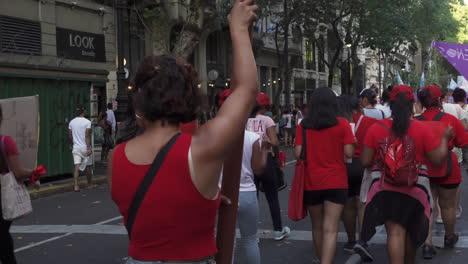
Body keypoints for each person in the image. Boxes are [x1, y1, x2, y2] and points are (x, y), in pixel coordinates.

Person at [109, 1, 259, 263]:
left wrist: (204, 200)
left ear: (139, 105)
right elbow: (246, 89)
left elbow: (157, 208)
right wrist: (237, 28)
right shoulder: (203, 148)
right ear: (190, 100)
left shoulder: (115, 157)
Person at [359, 85, 453, 264]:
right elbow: (437, 160)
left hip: (385, 188)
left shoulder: (377, 128)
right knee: (410, 231)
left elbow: (365, 161)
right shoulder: (421, 129)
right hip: (415, 190)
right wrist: (444, 138)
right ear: (412, 104)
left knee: (394, 232)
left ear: (390, 104)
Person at [294, 88, 356, 264]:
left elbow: (298, 154)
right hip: (336, 181)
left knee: (317, 226)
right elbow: (349, 153)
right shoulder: (343, 124)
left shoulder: (303, 126)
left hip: (312, 182)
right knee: (331, 228)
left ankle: (322, 259)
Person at [417, 85, 468, 259]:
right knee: (448, 205)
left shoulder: (415, 122)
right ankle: (449, 236)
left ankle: (427, 242)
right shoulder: (450, 120)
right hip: (448, 167)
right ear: (440, 100)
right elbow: (463, 142)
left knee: (427, 206)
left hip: (422, 169)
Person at [245, 93, 290, 240]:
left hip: (249, 160)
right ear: (264, 107)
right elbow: (275, 142)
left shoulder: (244, 120)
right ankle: (278, 230)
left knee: (253, 197)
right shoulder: (267, 119)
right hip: (266, 159)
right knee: (272, 197)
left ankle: (252, 233)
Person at [336, 95, 378, 254]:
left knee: (347, 206)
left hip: (344, 165)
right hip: (363, 165)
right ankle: (362, 241)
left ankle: (350, 240)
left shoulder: (338, 122)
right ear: (359, 106)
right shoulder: (369, 122)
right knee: (362, 204)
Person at [0, 105, 35, 264]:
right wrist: (33, 172)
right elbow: (18, 172)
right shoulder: (5, 141)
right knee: (3, 237)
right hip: (3, 196)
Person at [69, 105, 93, 192]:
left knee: (76, 166)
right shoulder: (87, 122)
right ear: (84, 111)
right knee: (88, 166)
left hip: (76, 147)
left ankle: (76, 186)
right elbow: (87, 136)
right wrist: (89, 148)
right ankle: (89, 184)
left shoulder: (71, 122)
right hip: (84, 147)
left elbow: (70, 136)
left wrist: (74, 143)